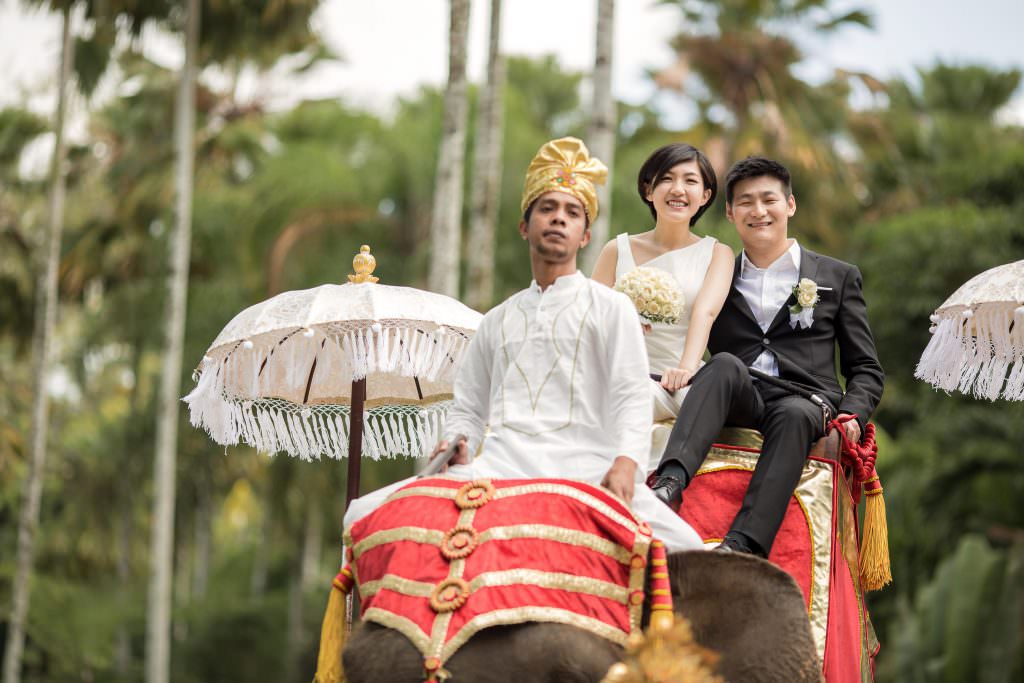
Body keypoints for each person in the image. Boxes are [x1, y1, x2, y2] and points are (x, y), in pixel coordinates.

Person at [343, 137, 704, 552]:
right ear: (524, 225)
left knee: (688, 549)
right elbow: (468, 410)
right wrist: (454, 442)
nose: (558, 219)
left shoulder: (612, 308)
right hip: (499, 468)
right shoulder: (497, 321)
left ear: (585, 236)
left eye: (572, 213)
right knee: (361, 515)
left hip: (589, 467)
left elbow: (631, 396)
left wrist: (626, 464)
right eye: (547, 208)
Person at [649, 156, 884, 557]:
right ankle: (668, 484)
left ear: (789, 205)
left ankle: (744, 544)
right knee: (723, 364)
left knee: (794, 415)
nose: (758, 211)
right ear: (729, 212)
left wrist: (853, 415)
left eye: (768, 200)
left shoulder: (836, 276)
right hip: (739, 394)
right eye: (745, 202)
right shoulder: (717, 275)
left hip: (804, 400)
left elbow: (865, 368)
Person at [591, 143, 734, 470]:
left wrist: (683, 370)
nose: (678, 189)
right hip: (616, 370)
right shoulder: (617, 249)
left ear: (706, 195)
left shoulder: (717, 254)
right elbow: (591, 316)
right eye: (667, 179)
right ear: (648, 189)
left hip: (676, 382)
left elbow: (705, 313)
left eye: (690, 181)